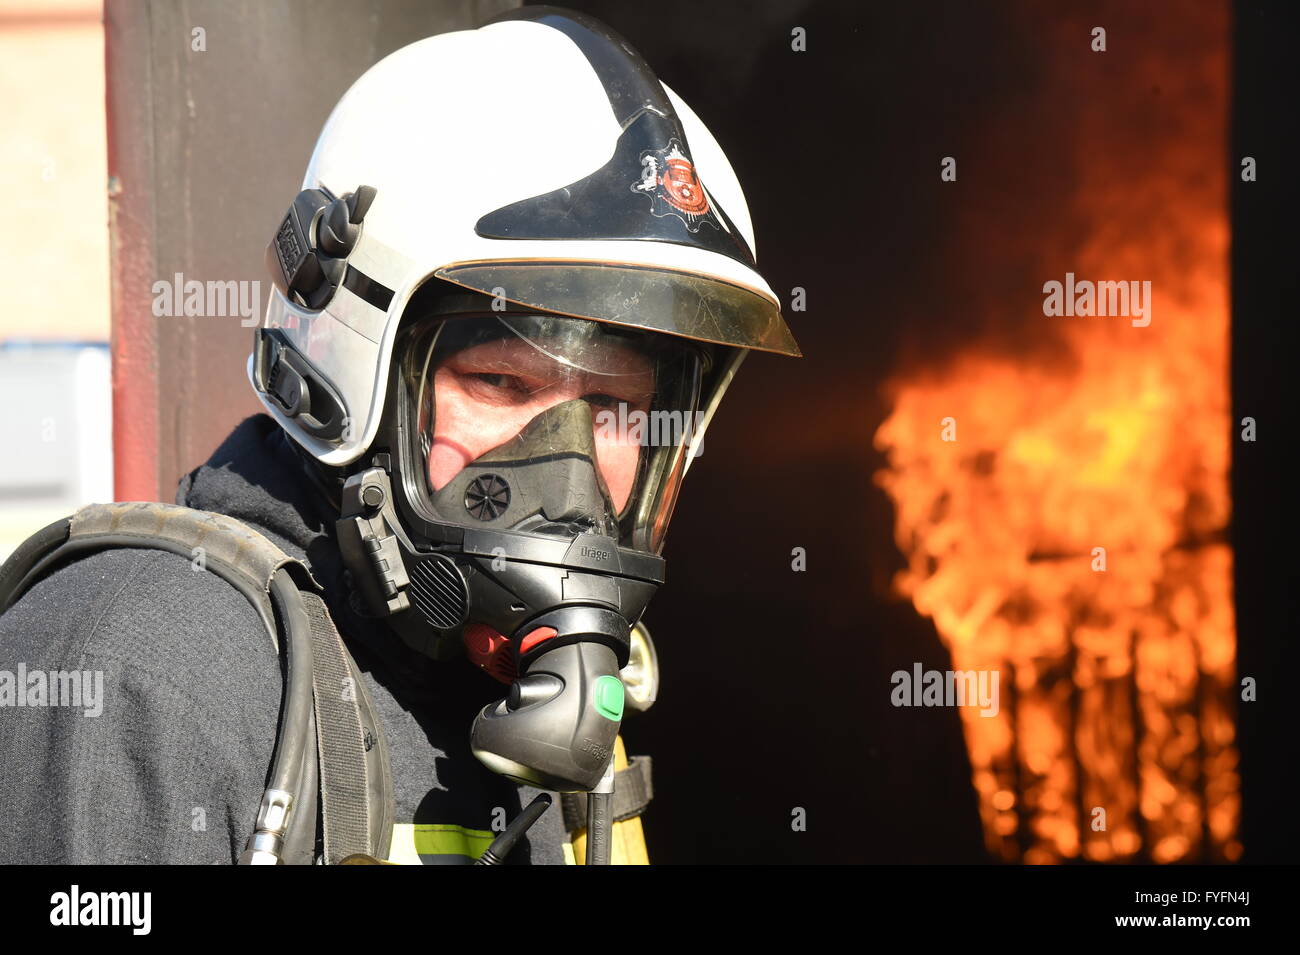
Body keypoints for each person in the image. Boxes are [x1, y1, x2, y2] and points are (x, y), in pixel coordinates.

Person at [0, 6, 798, 865]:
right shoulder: (139, 675)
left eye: (616, 410)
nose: (568, 473)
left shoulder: (546, 717)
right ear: (353, 368)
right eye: (502, 382)